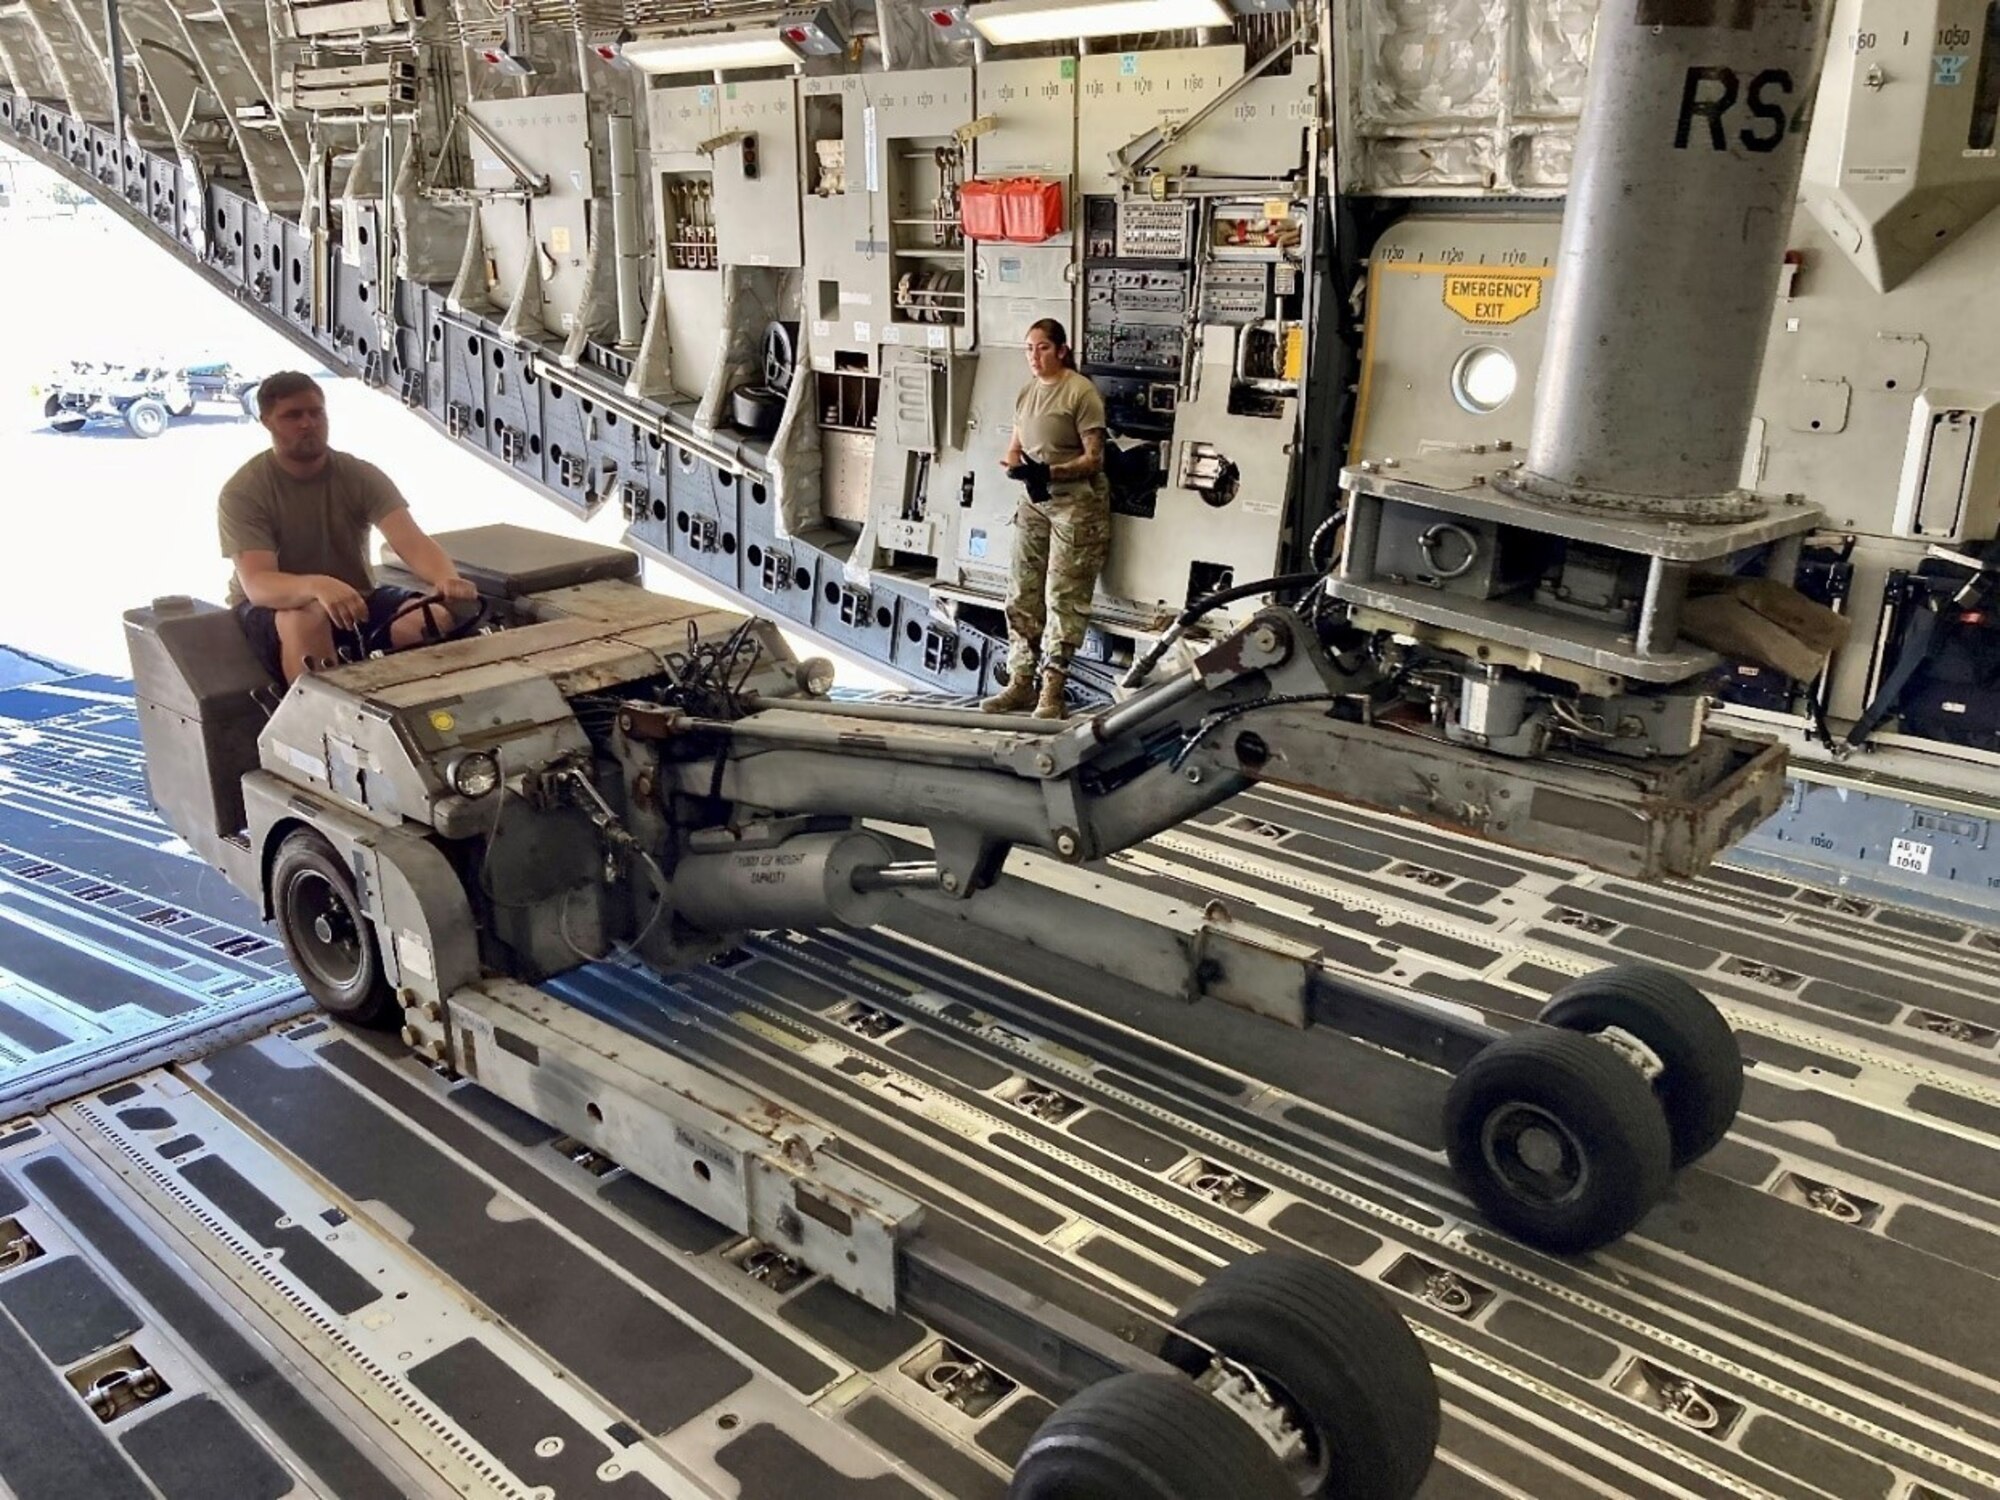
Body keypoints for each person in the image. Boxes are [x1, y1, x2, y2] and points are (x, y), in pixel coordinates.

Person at [220, 372, 477, 683]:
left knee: (430, 619)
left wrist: (446, 578)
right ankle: (315, 726)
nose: (307, 423)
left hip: (353, 596)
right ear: (267, 422)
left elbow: (409, 539)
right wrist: (317, 586)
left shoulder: (359, 475)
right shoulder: (245, 490)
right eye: (293, 415)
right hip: (273, 607)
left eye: (316, 412)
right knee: (307, 619)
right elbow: (259, 583)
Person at [980, 318, 1110, 718]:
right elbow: (1015, 447)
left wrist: (1049, 473)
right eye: (1029, 349)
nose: (1034, 357)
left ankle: (1052, 690)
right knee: (1021, 592)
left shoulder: (1080, 393)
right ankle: (1020, 681)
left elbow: (1093, 458)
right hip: (1036, 503)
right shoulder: (1027, 393)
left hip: (1077, 504)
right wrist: (1018, 469)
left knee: (1062, 596)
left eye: (1042, 348)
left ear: (1061, 351)